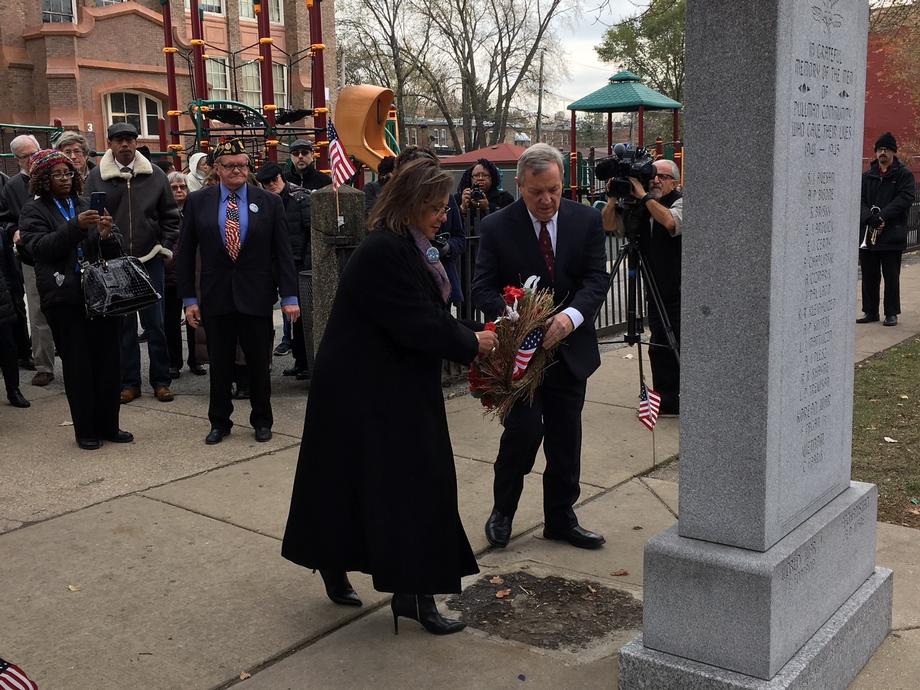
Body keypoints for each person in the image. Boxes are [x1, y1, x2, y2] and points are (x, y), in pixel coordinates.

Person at [281, 157, 498, 635]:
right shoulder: (384, 250)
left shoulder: (411, 247)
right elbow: (414, 321)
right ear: (409, 204)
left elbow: (424, 314)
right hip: (362, 392)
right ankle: (377, 579)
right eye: (435, 207)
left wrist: (471, 334)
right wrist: (471, 343)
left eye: (445, 207)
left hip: (394, 385)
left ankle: (411, 592)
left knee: (404, 486)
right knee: (364, 485)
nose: (444, 216)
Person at [473, 143, 610, 550]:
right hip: (520, 357)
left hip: (570, 351)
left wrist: (571, 318)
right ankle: (503, 511)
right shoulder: (498, 226)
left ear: (562, 183)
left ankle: (561, 518)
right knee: (523, 432)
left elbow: (595, 279)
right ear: (520, 186)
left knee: (566, 438)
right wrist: (517, 319)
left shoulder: (585, 220)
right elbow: (481, 286)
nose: (547, 200)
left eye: (553, 189)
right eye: (537, 192)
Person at [177, 138, 299, 444]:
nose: (238, 170)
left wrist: (290, 296)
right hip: (216, 295)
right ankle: (219, 421)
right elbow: (186, 252)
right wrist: (189, 299)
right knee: (219, 363)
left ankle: (261, 419)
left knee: (258, 362)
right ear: (217, 169)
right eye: (230, 166)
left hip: (256, 295)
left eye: (243, 165)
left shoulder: (268, 202)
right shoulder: (198, 201)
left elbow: (283, 253)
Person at [19, 150, 132, 450]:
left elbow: (115, 247)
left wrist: (107, 235)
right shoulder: (35, 211)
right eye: (57, 175)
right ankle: (86, 430)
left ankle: (110, 425)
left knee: (109, 363)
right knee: (79, 366)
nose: (66, 179)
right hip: (65, 298)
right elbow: (39, 249)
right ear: (43, 180)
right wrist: (75, 228)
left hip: (102, 296)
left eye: (68, 173)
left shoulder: (85, 204)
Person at [85, 122, 181, 404]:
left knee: (156, 325)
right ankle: (130, 382)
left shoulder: (156, 175)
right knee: (124, 327)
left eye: (129, 139)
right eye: (118, 140)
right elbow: (87, 216)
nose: (124, 144)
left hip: (149, 258)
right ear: (110, 143)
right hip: (115, 261)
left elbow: (171, 216)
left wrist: (164, 248)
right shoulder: (96, 177)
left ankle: (161, 381)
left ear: (136, 142)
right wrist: (99, 246)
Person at [602, 157, 684, 414]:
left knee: (674, 342)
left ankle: (679, 396)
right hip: (654, 286)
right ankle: (664, 396)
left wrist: (645, 196)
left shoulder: (680, 201)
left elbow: (671, 222)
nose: (656, 181)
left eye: (662, 177)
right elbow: (608, 224)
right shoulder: (641, 204)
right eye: (653, 176)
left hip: (678, 287)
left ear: (675, 181)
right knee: (658, 342)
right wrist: (614, 197)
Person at [0, 134, 56, 386]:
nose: (31, 159)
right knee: (37, 311)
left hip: (61, 252)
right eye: (25, 156)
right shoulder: (12, 186)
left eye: (34, 152)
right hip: (32, 258)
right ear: (16, 159)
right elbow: (5, 218)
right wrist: (14, 232)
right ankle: (43, 364)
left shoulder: (54, 176)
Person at [255, 162, 312, 379]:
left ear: (282, 178)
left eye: (274, 181)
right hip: (271, 262)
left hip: (296, 262)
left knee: (300, 315)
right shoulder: (263, 202)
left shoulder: (301, 198)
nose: (271, 185)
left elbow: (310, 234)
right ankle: (296, 360)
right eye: (266, 183)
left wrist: (307, 267)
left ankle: (304, 361)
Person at [857, 132, 915, 327]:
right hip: (869, 233)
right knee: (869, 276)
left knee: (891, 277)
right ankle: (870, 311)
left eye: (886, 149)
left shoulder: (903, 174)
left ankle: (891, 313)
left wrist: (882, 216)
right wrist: (869, 218)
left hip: (892, 234)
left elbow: (905, 198)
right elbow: (860, 200)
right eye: (880, 149)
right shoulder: (867, 176)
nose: (882, 153)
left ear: (893, 152)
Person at [164, 171, 206, 378]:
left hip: (191, 273)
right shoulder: (162, 212)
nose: (180, 191)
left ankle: (195, 360)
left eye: (183, 187)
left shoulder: (195, 210)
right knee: (170, 321)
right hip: (169, 273)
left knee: (194, 319)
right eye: (174, 188)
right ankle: (174, 362)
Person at [0, 229, 29, 408]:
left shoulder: (1, 233)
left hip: (2, 296)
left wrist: (15, 293)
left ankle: (13, 390)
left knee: (7, 347)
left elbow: (10, 266)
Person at [455, 158, 515, 231]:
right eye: (476, 175)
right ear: (470, 178)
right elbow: (452, 228)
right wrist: (462, 209)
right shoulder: (459, 198)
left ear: (492, 178)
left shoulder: (504, 198)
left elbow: (509, 224)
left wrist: (488, 207)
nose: (480, 178)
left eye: (485, 175)